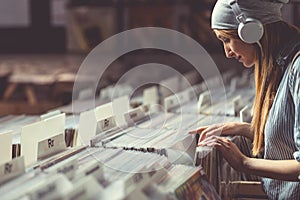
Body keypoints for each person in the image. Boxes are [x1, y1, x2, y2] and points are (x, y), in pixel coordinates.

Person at [189, 0, 300, 199]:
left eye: (227, 40)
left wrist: (243, 163)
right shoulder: (281, 65)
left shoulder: (298, 68)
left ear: (252, 31)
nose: (227, 52)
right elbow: (288, 138)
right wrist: (244, 129)